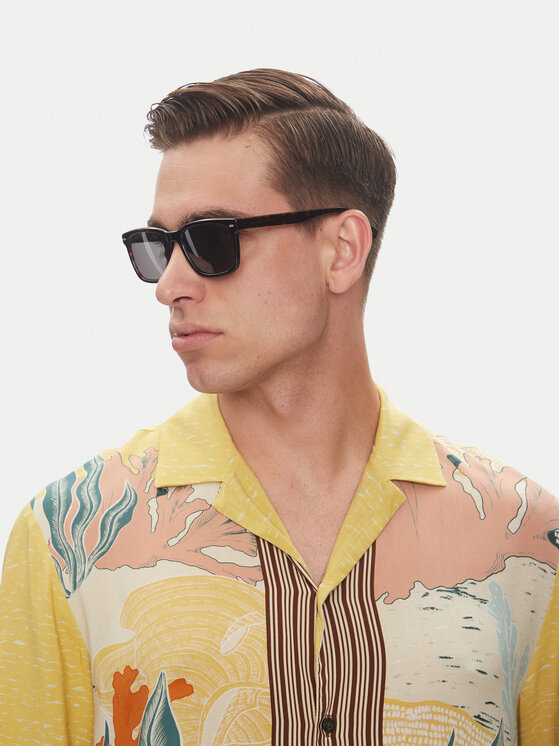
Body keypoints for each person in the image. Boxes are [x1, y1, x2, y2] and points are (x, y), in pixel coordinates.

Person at [0, 69, 557, 746]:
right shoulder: (68, 541)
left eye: (211, 240)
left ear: (342, 250)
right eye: (158, 248)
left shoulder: (528, 543)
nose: (169, 285)